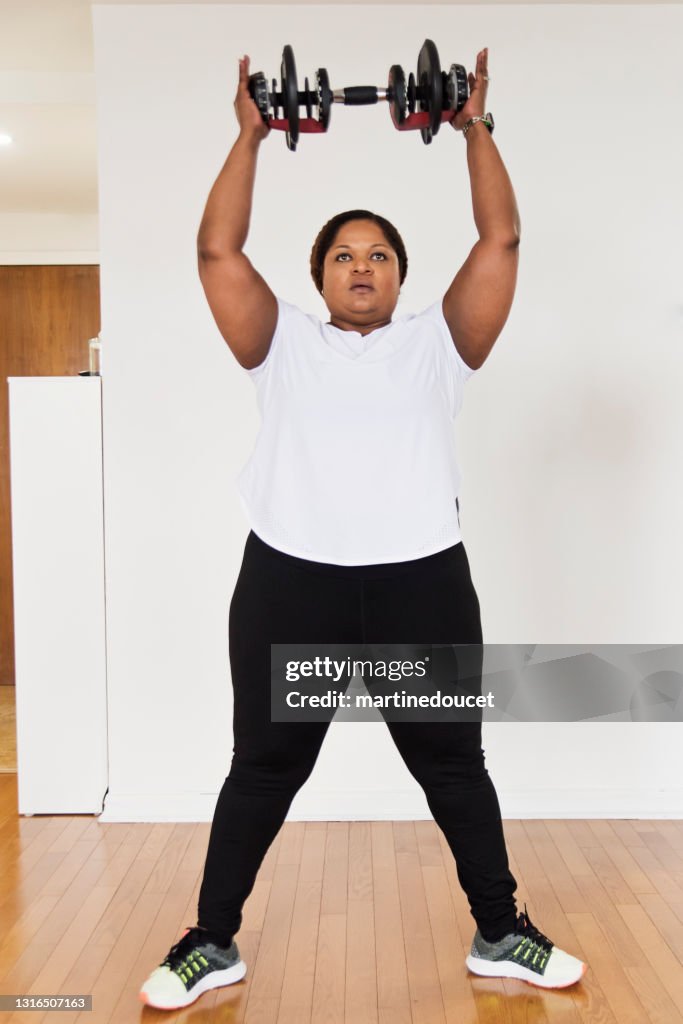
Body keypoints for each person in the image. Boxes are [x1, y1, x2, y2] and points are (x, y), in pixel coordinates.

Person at [139, 49, 587, 1011]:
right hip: (290, 583)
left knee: (453, 766)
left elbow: (500, 239)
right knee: (262, 768)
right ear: (319, 275)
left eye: (378, 254)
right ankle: (212, 941)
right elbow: (217, 252)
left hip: (417, 586)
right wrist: (250, 133)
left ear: (398, 276)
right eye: (343, 253)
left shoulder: (439, 343)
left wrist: (472, 124)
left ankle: (499, 929)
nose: (361, 266)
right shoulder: (280, 343)